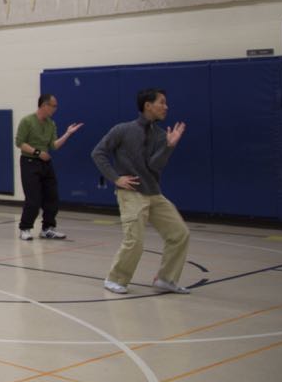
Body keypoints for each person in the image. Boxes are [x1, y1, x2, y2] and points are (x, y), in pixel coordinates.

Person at [91, 88, 192, 295]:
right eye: (161, 102)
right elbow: (98, 153)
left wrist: (169, 146)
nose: (166, 107)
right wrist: (116, 178)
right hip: (130, 194)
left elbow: (154, 165)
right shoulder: (122, 129)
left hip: (153, 193)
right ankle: (115, 279)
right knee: (135, 240)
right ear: (148, 105)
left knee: (179, 234)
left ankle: (166, 279)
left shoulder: (161, 135)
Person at [14, 94, 83, 241]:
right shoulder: (27, 121)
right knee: (33, 199)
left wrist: (68, 134)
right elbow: (20, 143)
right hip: (29, 162)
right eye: (54, 106)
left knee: (52, 197)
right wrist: (38, 153)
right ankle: (25, 228)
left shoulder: (51, 124)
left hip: (46, 164)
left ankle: (48, 229)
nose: (55, 109)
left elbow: (54, 145)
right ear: (44, 105)